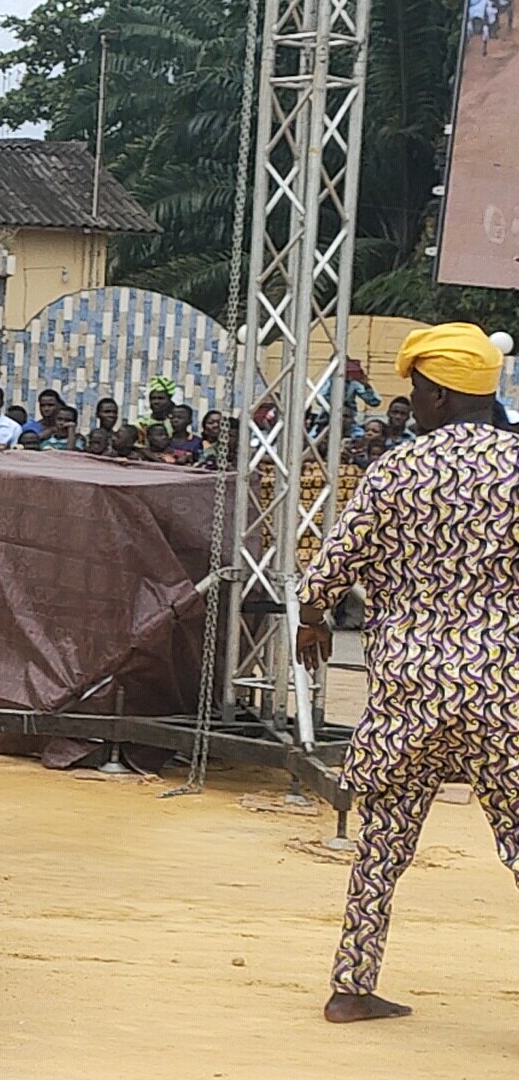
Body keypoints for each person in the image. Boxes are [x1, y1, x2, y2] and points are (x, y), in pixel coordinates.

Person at [294, 322, 519, 1025]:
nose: (412, 401)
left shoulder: (398, 469)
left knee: (384, 841)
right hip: (500, 688)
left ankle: (350, 988)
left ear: (446, 396)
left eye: (419, 389)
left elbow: (333, 563)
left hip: (407, 693)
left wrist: (312, 617)